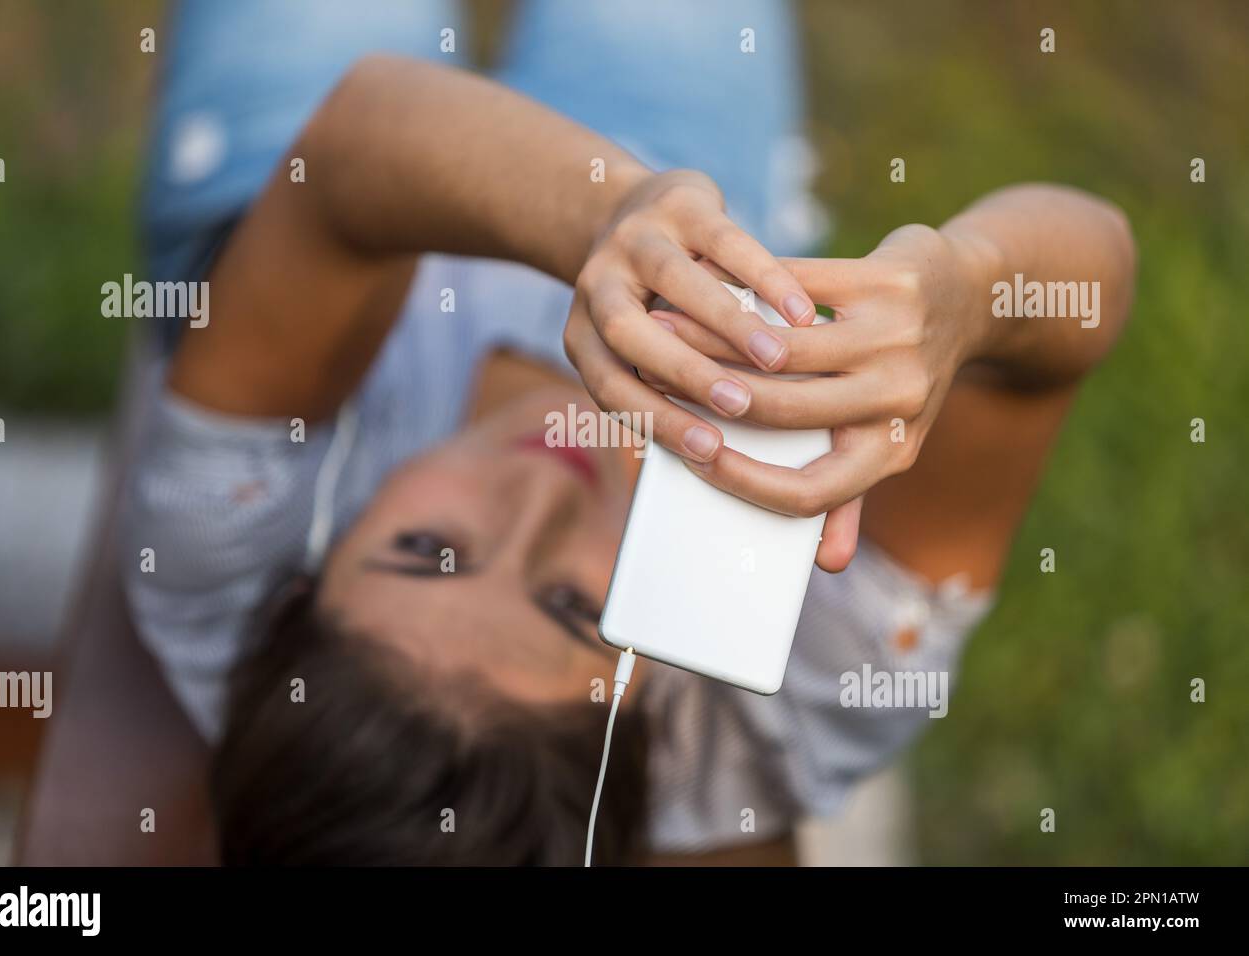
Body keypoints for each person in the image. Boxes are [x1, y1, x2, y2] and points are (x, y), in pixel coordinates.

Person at [124, 0, 1135, 865]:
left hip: (310, 199)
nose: (537, 498)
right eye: (571, 607)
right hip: (680, 183)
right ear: (650, 716)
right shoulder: (793, 688)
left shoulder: (222, 564)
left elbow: (358, 144)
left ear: (301, 584)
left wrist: (616, 217)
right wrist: (969, 292)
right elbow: (1090, 282)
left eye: (429, 550)